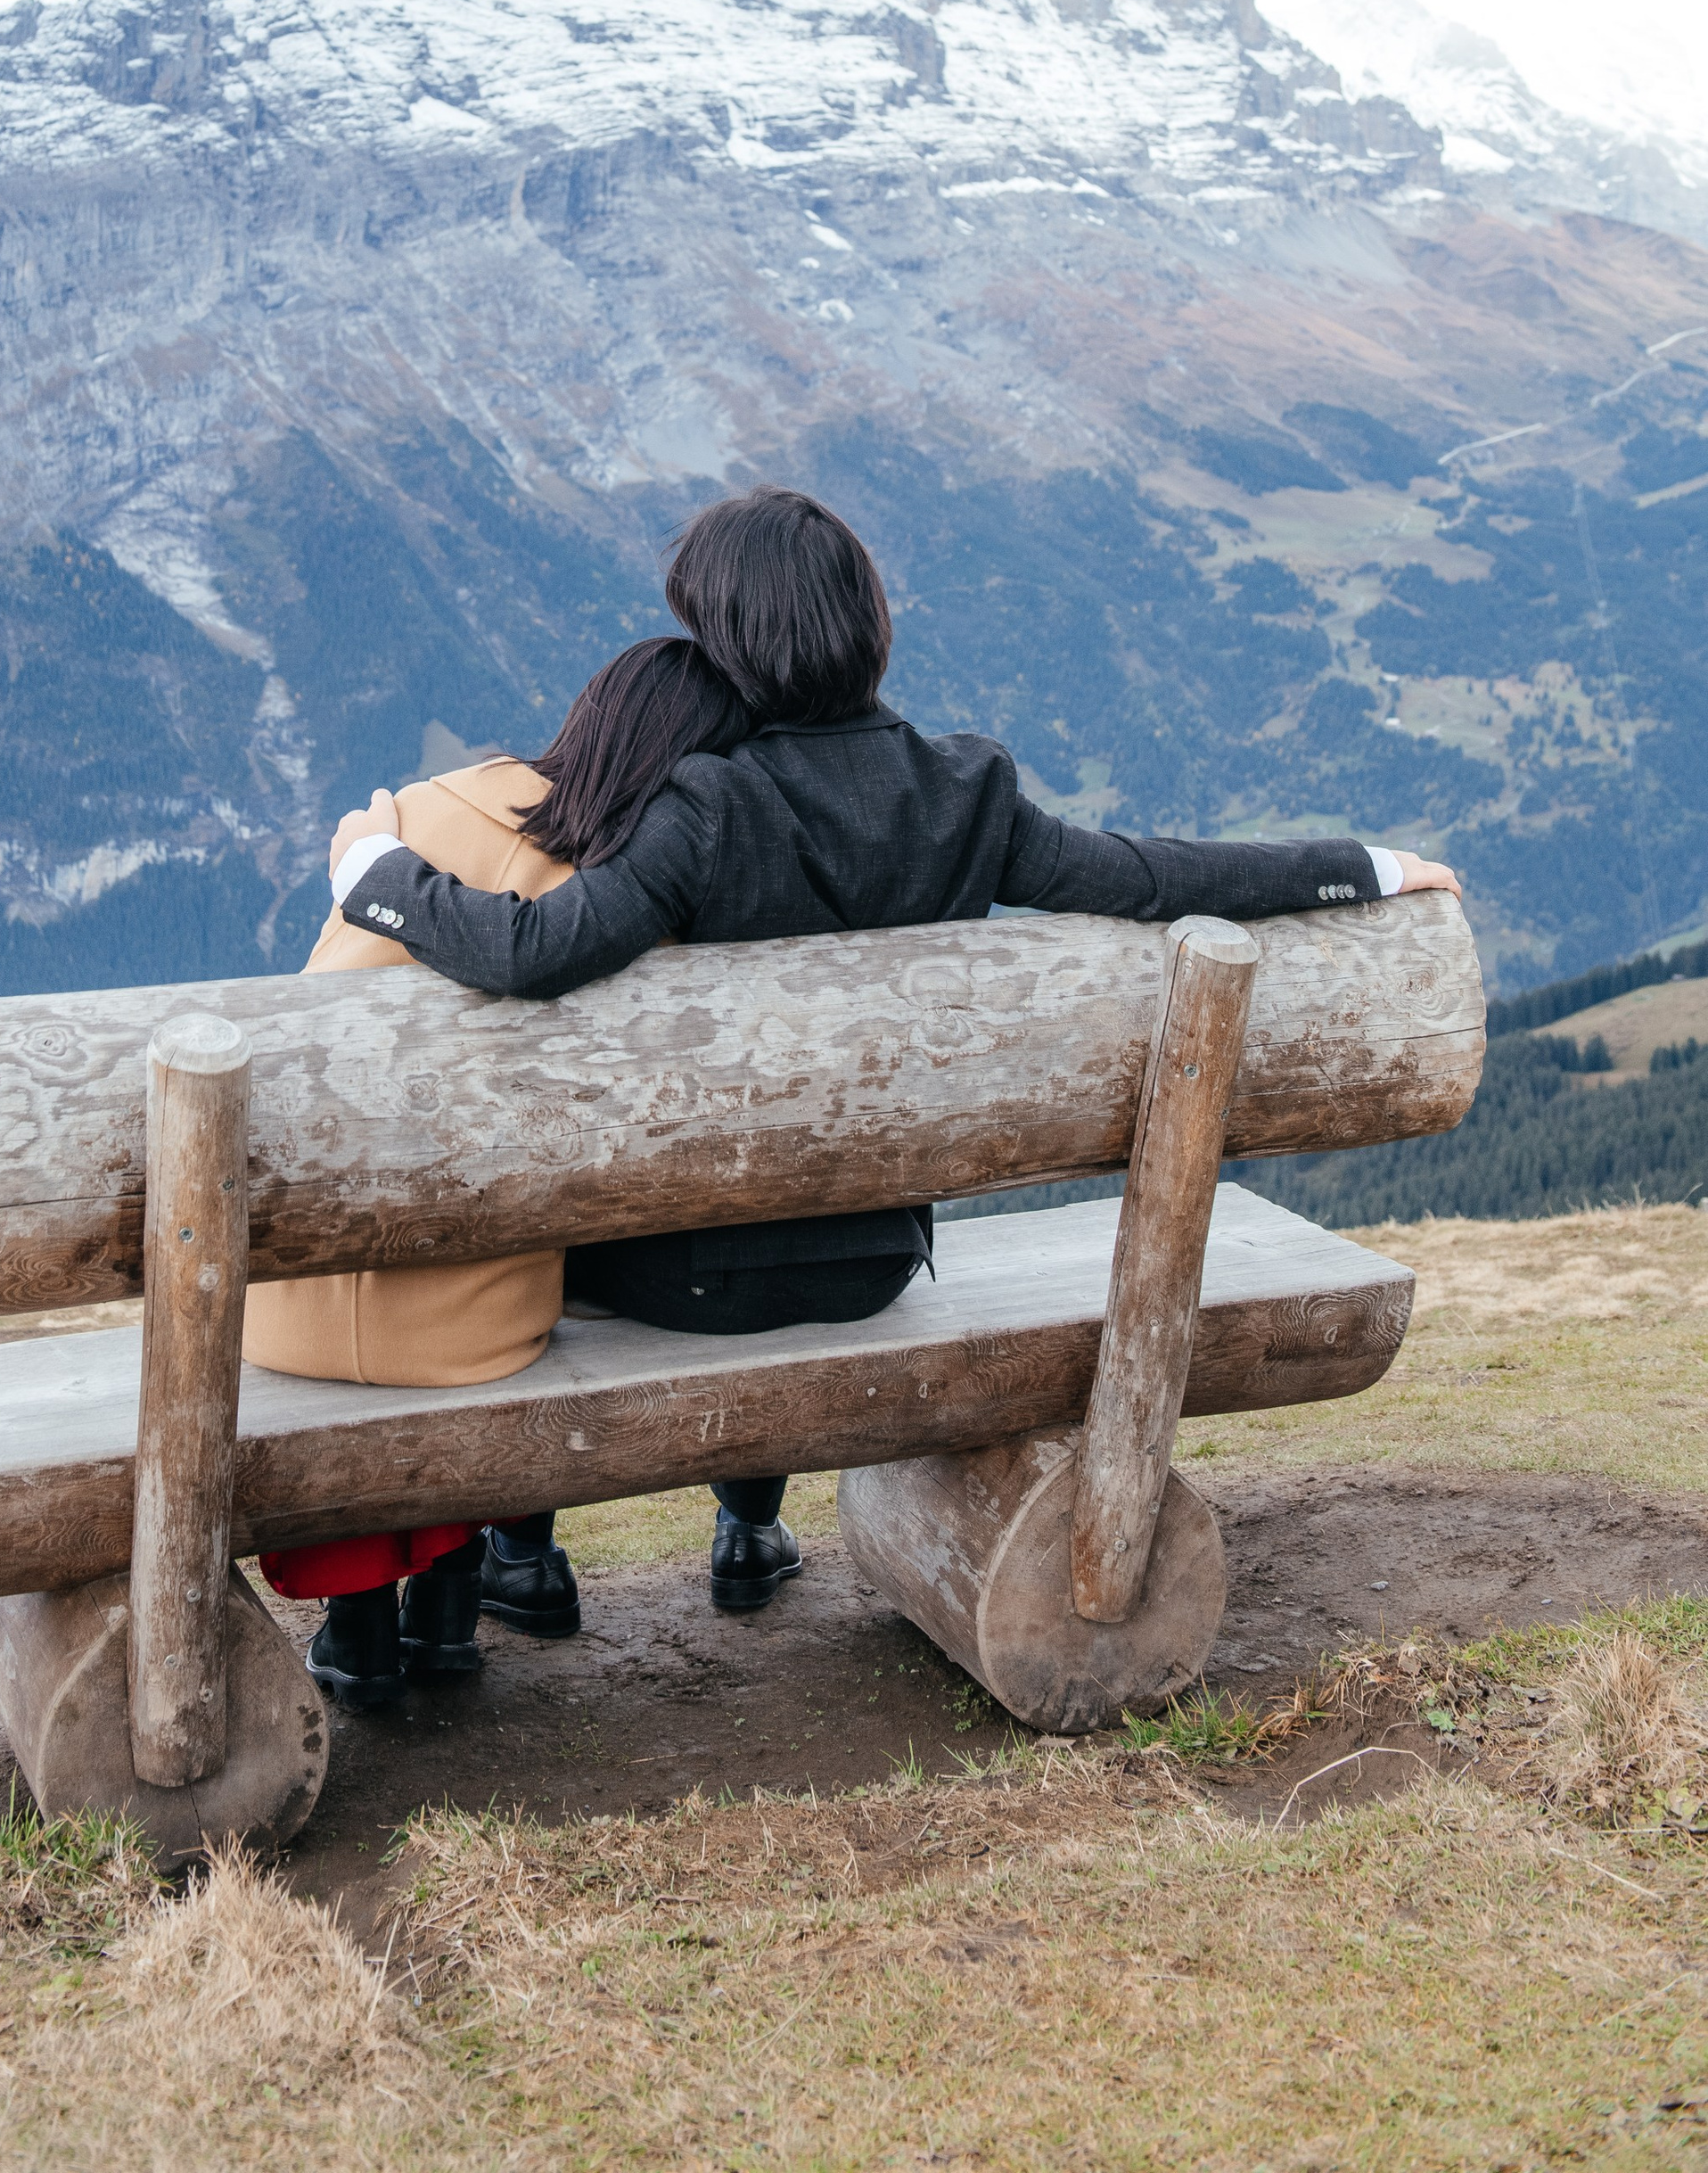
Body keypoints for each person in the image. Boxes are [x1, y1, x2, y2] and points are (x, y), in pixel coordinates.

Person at [327, 483, 1464, 1617]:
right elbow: (1156, 876)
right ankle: (747, 1530)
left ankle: (512, 1563)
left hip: (683, 1283)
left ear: (731, 648)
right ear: (869, 628)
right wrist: (1359, 868)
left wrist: (380, 878)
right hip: (871, 1265)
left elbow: (530, 952)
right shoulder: (966, 793)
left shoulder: (706, 806)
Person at [246, 637, 751, 1710]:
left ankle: (362, 1632)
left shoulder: (415, 819)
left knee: (406, 1248)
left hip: (290, 1310)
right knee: (490, 1270)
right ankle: (446, 1607)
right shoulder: (627, 894)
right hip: (475, 1332)